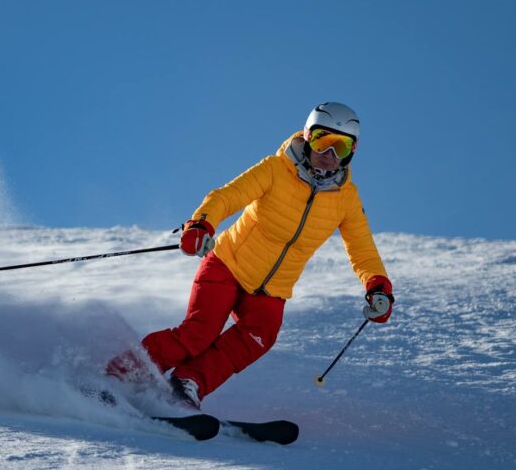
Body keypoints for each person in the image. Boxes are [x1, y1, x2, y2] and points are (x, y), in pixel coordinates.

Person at [107, 102, 394, 409]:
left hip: (272, 290)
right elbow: (227, 196)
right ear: (308, 137)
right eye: (323, 141)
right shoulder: (275, 169)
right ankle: (122, 374)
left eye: (342, 146)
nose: (330, 154)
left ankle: (187, 384)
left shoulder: (346, 199)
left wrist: (378, 287)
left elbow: (362, 248)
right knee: (198, 334)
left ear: (352, 151)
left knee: (259, 337)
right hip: (228, 266)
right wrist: (201, 225)